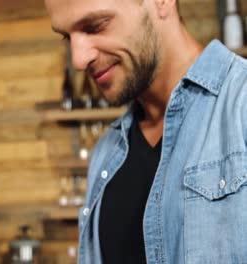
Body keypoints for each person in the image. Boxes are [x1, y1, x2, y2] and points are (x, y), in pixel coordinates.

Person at [44, 0, 247, 263]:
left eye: (95, 26)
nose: (79, 60)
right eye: (67, 37)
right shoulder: (105, 155)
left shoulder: (241, 104)